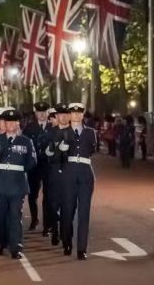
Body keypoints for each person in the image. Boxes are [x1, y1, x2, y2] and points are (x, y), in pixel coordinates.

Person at [0, 108, 36, 259]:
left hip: (17, 184)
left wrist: (22, 168)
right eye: (7, 121)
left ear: (17, 123)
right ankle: (1, 243)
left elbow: (32, 161)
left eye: (13, 121)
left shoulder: (26, 141)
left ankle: (16, 246)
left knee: (15, 216)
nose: (10, 124)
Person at [59, 103, 96, 260]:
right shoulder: (63, 132)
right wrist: (60, 149)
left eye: (79, 113)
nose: (76, 116)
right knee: (67, 210)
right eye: (73, 113)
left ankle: (82, 248)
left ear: (83, 114)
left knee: (84, 212)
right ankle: (67, 242)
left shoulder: (90, 132)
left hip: (86, 173)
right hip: (69, 172)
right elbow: (56, 157)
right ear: (69, 114)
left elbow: (92, 150)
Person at [43, 105, 66, 245]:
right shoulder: (49, 133)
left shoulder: (72, 131)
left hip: (68, 172)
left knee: (68, 204)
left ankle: (63, 230)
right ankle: (55, 230)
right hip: (53, 171)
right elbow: (45, 153)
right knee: (53, 203)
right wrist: (51, 151)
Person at [23, 102, 47, 232]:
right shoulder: (30, 128)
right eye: (39, 112)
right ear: (36, 113)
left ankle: (48, 224)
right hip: (35, 167)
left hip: (49, 166)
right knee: (33, 195)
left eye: (44, 112)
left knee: (49, 195)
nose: (42, 114)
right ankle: (34, 219)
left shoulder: (52, 126)